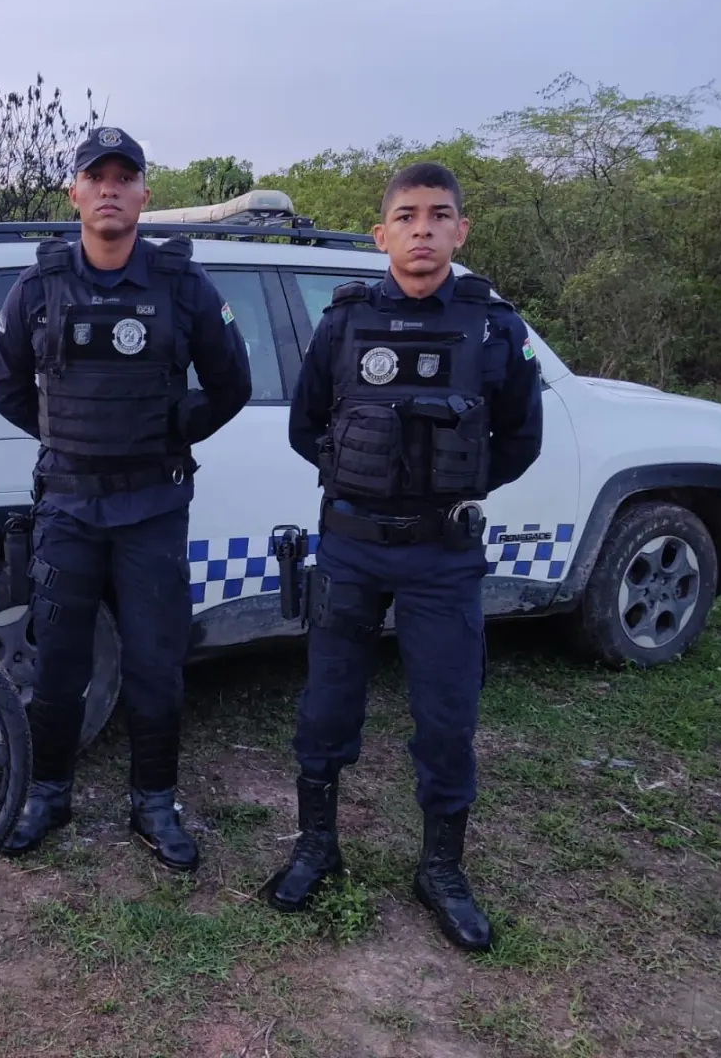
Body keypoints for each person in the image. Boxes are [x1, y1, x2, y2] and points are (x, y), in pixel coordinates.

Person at [264, 162, 543, 951]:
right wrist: (361, 472)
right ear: (381, 232)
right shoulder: (344, 321)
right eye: (407, 216)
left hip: (442, 555)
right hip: (350, 548)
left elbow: (521, 437)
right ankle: (316, 847)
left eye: (439, 215)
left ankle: (441, 870)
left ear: (462, 230)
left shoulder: (495, 329)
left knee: (448, 717)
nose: (423, 229)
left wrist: (445, 486)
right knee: (325, 707)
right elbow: (305, 423)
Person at [0, 126, 252, 871]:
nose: (109, 187)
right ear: (74, 192)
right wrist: (67, 435)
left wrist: (172, 429)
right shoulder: (38, 286)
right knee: (59, 661)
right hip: (68, 507)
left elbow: (231, 383)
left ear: (143, 192)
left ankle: (154, 803)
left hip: (152, 510)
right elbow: (4, 384)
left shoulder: (182, 285)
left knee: (155, 664)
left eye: (123, 176)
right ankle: (47, 794)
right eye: (93, 175)